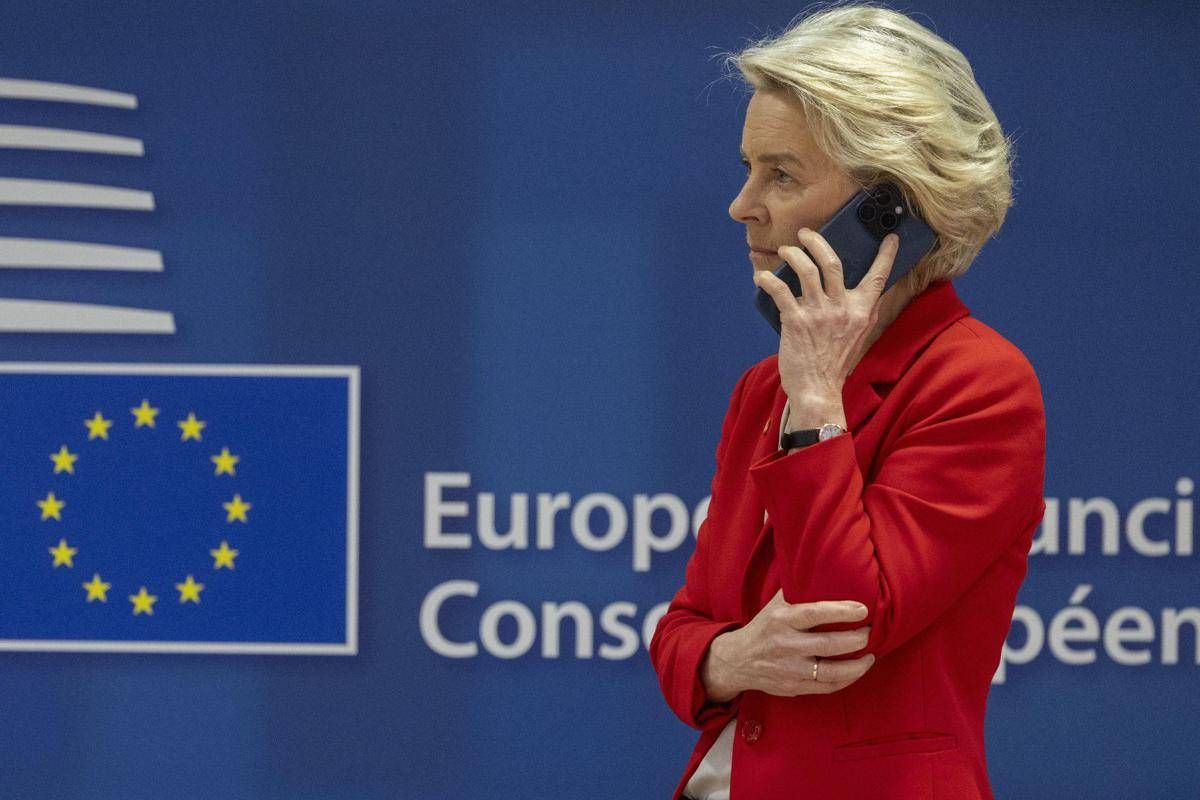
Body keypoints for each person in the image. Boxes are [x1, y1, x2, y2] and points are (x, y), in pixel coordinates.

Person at [648, 4, 1046, 799]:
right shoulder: (762, 388)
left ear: (888, 208)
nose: (742, 205)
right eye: (748, 167)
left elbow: (844, 620)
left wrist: (817, 400)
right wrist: (730, 658)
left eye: (782, 175)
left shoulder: (981, 385)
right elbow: (682, 631)